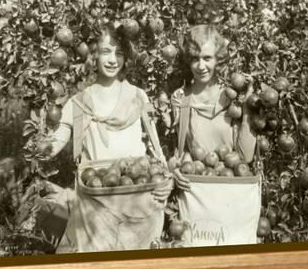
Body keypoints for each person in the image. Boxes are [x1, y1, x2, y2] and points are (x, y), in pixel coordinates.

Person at [41, 23, 173, 253]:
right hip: (96, 213)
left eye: (119, 53)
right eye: (105, 52)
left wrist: (167, 182)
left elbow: (155, 150)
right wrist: (40, 124)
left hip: (139, 208)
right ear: (93, 55)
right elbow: (50, 148)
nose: (113, 60)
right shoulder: (79, 103)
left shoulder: (138, 97)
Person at [171, 24, 257, 191]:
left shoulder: (233, 97)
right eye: (195, 59)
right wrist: (176, 171)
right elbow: (182, 153)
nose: (201, 66)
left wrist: (247, 110)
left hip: (231, 189)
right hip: (197, 190)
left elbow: (245, 157)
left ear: (218, 58)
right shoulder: (181, 99)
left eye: (207, 58)